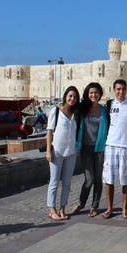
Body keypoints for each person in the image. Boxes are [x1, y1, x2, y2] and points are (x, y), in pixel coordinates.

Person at [72, 83, 109, 217]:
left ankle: (94, 206)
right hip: (85, 148)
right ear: (87, 94)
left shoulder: (105, 110)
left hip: (99, 148)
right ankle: (81, 203)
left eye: (96, 93)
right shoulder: (82, 109)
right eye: (91, 93)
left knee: (98, 179)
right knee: (89, 179)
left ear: (100, 94)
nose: (94, 95)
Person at [102, 79, 127, 219]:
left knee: (126, 179)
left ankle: (124, 209)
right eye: (118, 89)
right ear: (114, 90)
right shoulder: (109, 104)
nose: (121, 92)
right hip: (111, 145)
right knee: (109, 179)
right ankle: (110, 208)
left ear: (126, 89)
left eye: (123, 89)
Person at [46, 86, 80, 221]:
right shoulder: (56, 111)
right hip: (57, 151)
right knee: (54, 181)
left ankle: (62, 208)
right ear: (65, 96)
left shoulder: (75, 114)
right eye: (70, 96)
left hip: (71, 151)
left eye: (75, 97)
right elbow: (49, 131)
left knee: (67, 182)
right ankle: (52, 209)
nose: (72, 99)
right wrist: (48, 150)